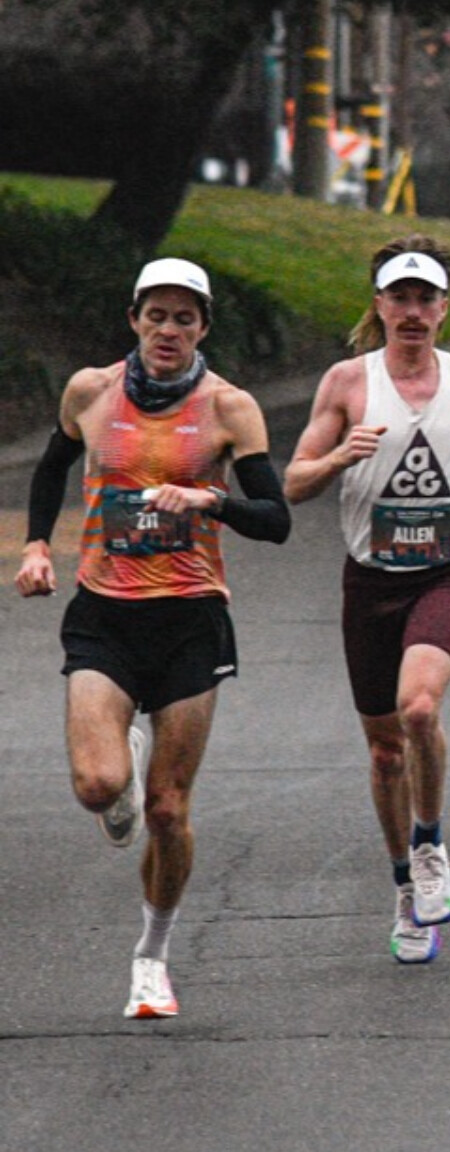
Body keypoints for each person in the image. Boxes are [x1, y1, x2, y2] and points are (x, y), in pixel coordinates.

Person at [14, 257, 291, 1017]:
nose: (169, 331)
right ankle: (123, 763)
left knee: (168, 812)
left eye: (185, 319)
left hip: (190, 619)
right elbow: (52, 468)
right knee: (97, 786)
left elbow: (276, 520)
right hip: (104, 613)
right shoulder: (90, 392)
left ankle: (152, 957)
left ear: (204, 328)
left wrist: (209, 500)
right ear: (134, 319)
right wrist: (36, 545)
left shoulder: (229, 407)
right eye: (157, 316)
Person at [284, 236, 450, 964]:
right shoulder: (346, 383)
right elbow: (293, 482)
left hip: (446, 573)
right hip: (370, 582)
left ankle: (429, 845)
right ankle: (404, 892)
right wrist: (339, 456)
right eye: (400, 298)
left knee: (420, 708)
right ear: (380, 305)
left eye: (426, 299)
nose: (413, 312)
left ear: (445, 308)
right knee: (386, 750)